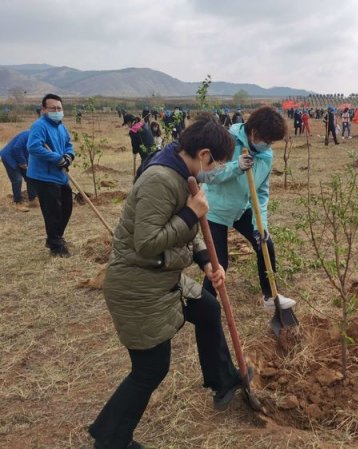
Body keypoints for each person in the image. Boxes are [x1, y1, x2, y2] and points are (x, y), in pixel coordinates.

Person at [89, 114, 249, 449]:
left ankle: (223, 381)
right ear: (204, 155)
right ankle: (110, 438)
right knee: (151, 368)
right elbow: (147, 243)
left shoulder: (182, 171)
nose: (219, 169)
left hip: (162, 276)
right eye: (219, 163)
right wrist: (191, 213)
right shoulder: (160, 180)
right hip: (137, 285)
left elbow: (190, 231)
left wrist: (206, 260)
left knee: (207, 308)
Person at [201, 106, 297, 310]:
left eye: (271, 142)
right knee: (219, 265)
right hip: (215, 210)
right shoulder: (226, 140)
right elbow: (207, 175)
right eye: (267, 140)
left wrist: (260, 225)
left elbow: (261, 193)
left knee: (265, 244)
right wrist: (235, 167)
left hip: (241, 209)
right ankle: (205, 307)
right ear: (254, 133)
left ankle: (270, 296)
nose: (268, 146)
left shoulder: (265, 155)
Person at [27, 93, 75, 258]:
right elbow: (33, 147)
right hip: (44, 176)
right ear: (44, 110)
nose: (57, 111)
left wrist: (68, 156)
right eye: (53, 108)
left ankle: (55, 237)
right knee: (52, 212)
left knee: (67, 206)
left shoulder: (61, 126)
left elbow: (68, 144)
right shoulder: (39, 126)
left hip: (60, 174)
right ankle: (56, 246)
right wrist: (56, 158)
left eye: (59, 108)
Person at [1, 130, 38, 212]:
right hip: (9, 157)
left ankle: (32, 199)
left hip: (22, 156)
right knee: (17, 179)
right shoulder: (27, 134)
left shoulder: (39, 138)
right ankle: (18, 202)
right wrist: (23, 162)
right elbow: (17, 148)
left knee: (31, 176)